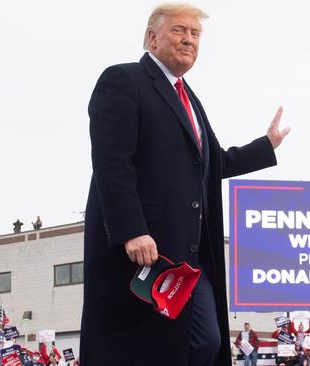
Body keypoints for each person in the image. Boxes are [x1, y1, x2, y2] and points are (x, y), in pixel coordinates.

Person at [79, 4, 290, 366]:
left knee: (207, 341)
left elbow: (210, 164)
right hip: (144, 251)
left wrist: (264, 146)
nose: (188, 40)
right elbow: (112, 162)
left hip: (190, 255)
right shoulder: (123, 81)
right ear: (152, 38)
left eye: (195, 34)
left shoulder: (190, 100)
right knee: (147, 349)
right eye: (178, 30)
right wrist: (132, 230)